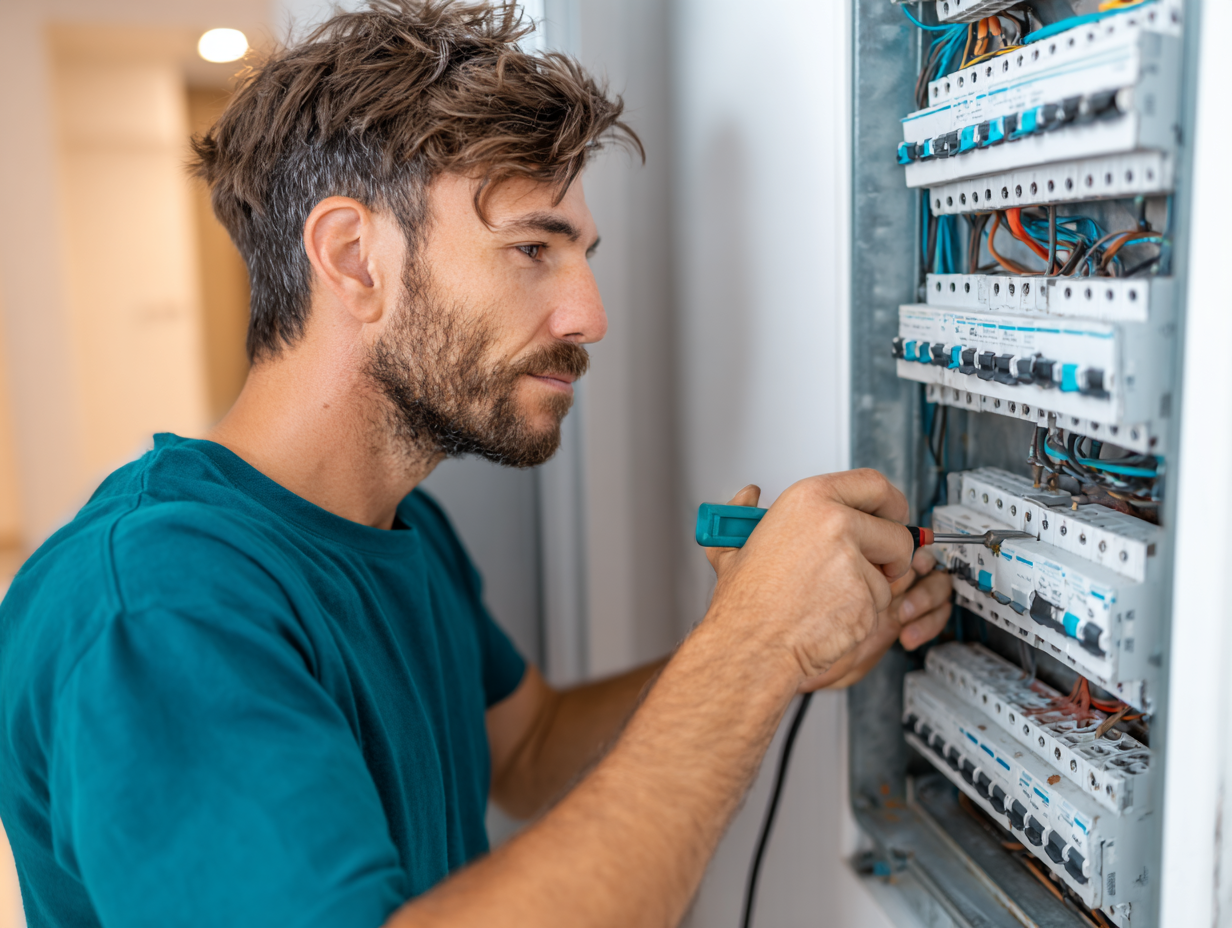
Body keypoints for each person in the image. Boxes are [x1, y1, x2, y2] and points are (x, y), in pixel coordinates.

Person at [0, 2, 953, 926]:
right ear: (354, 257)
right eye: (533, 247)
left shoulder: (395, 520)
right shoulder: (156, 608)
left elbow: (529, 747)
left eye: (579, 252)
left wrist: (770, 637)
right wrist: (747, 652)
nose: (590, 315)